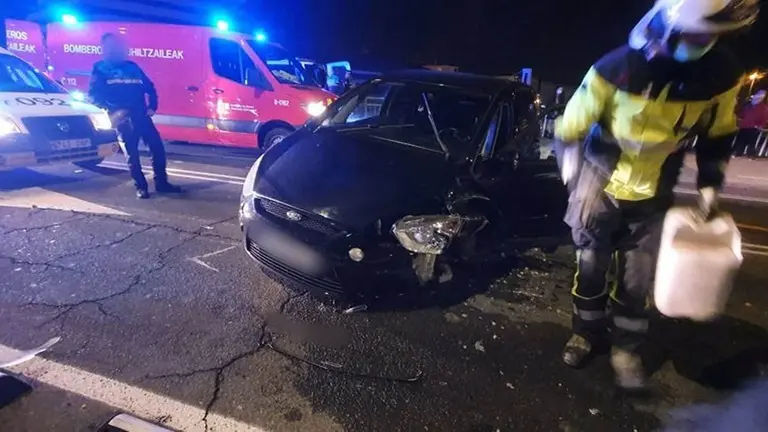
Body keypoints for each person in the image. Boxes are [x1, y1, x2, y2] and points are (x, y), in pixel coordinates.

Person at [553, 0, 759, 389]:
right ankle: (585, 332)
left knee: (636, 280)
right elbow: (572, 125)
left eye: (710, 36)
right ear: (668, 28)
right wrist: (570, 168)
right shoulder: (615, 69)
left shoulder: (720, 76)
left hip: (653, 192)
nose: (704, 42)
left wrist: (710, 184)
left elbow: (718, 134)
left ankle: (626, 348)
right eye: (697, 33)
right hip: (600, 184)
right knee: (591, 266)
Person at [88, 33, 181, 199]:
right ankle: (141, 187)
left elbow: (150, 87)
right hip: (123, 119)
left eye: (117, 45)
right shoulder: (100, 69)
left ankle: (162, 183)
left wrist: (152, 106)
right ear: (105, 48)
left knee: (157, 149)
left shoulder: (133, 67)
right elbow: (95, 97)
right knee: (132, 155)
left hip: (141, 116)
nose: (115, 49)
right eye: (111, 46)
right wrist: (114, 111)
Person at [735, 89, 768, 158]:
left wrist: (760, 125)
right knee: (741, 140)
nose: (759, 97)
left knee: (752, 142)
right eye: (759, 95)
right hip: (745, 125)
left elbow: (764, 118)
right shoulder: (748, 105)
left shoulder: (763, 107)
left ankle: (750, 155)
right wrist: (740, 121)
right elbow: (742, 114)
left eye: (762, 95)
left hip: (754, 126)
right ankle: (738, 153)